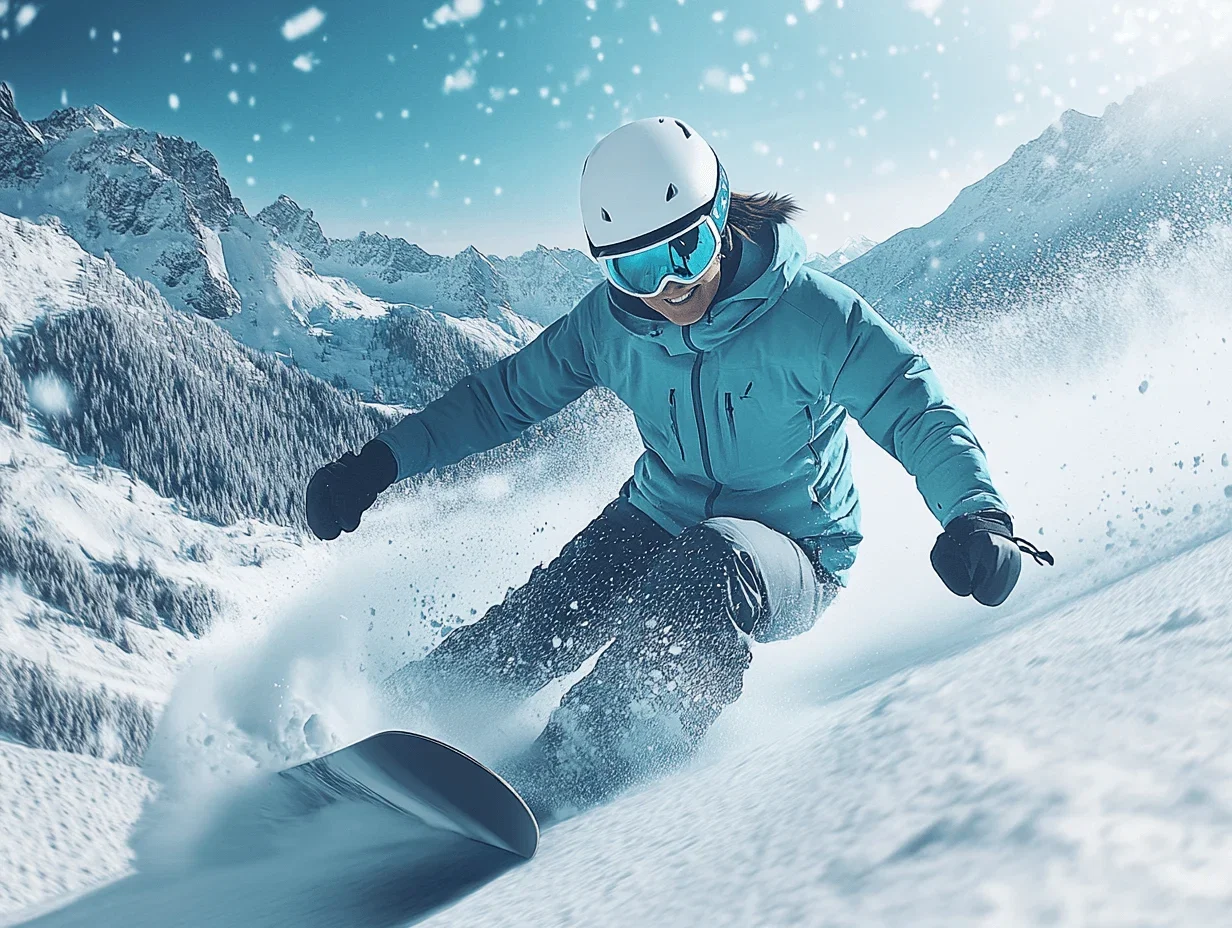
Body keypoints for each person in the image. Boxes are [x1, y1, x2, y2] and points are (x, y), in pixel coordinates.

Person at [305, 117, 1051, 820]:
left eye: (685, 251)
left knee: (701, 577)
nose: (668, 289)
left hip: (789, 551)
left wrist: (977, 514)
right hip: (658, 513)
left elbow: (911, 405)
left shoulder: (812, 315)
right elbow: (503, 398)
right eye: (636, 267)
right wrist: (381, 461)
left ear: (721, 217)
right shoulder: (610, 326)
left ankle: (572, 770)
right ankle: (383, 731)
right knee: (551, 612)